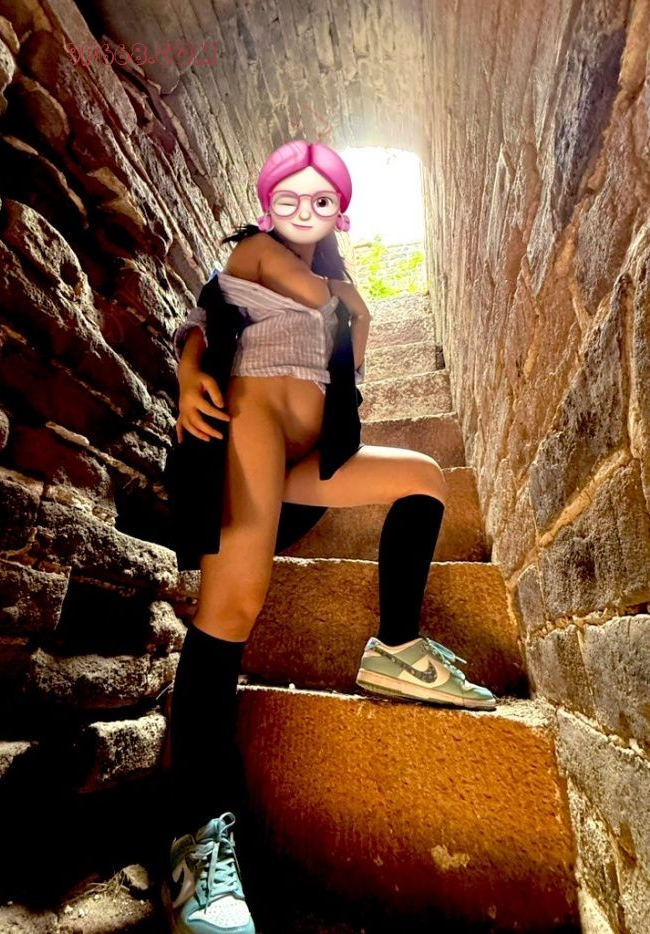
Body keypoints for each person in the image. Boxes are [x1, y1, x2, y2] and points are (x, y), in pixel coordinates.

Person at [160, 140, 497, 934]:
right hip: (253, 424)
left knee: (424, 479)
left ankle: (395, 650)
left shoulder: (334, 286)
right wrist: (189, 373)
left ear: (338, 212)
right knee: (232, 607)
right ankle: (194, 845)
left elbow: (346, 361)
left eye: (322, 199)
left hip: (311, 453)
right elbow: (206, 319)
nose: (303, 210)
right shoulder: (256, 252)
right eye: (290, 196)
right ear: (268, 202)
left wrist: (351, 318)